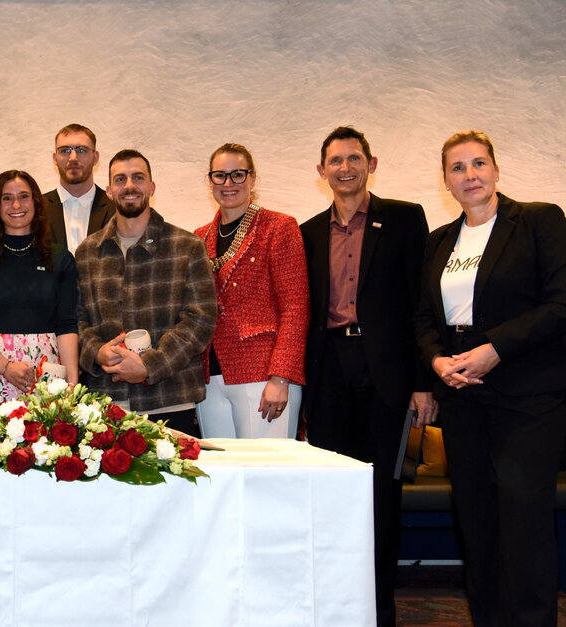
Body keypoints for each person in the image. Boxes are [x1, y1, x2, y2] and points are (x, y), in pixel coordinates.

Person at [414, 130, 566, 627]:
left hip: (527, 394)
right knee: (477, 523)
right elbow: (422, 318)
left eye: (479, 164)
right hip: (461, 393)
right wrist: (438, 361)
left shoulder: (539, 221)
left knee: (524, 521)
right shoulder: (438, 241)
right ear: (446, 182)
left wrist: (495, 349)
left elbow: (560, 303)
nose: (470, 175)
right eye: (458, 168)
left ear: (497, 171)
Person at [300, 127, 435, 627]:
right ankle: (337, 603)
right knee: (333, 490)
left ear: (371, 163)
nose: (345, 168)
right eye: (335, 161)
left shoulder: (403, 218)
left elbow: (423, 304)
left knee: (382, 492)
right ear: (322, 171)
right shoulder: (309, 231)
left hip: (387, 372)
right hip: (329, 369)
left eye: (354, 158)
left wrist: (423, 381)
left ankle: (379, 608)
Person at [75, 149, 216, 437]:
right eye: (120, 179)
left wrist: (149, 365)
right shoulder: (88, 252)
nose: (129, 186)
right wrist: (96, 352)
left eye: (138, 178)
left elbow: (201, 320)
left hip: (170, 401)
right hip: (104, 402)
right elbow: (74, 321)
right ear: (109, 190)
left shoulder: (186, 246)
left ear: (151, 187)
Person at [194, 143, 308, 438]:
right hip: (210, 376)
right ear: (210, 181)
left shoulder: (279, 227)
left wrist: (281, 377)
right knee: (221, 474)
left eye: (238, 175)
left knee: (267, 473)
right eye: (219, 175)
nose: (228, 183)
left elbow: (296, 307)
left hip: (263, 374)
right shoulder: (198, 237)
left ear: (252, 178)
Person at [0, 170, 79, 410]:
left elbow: (67, 324)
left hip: (49, 376)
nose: (16, 205)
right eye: (6, 198)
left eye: (24, 196)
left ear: (36, 202)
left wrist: (72, 382)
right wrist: (4, 366)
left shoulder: (60, 257)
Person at [43, 123, 115, 253]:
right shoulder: (36, 208)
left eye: (81, 150)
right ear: (55, 158)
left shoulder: (115, 208)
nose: (73, 158)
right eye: (64, 150)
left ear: (95, 157)